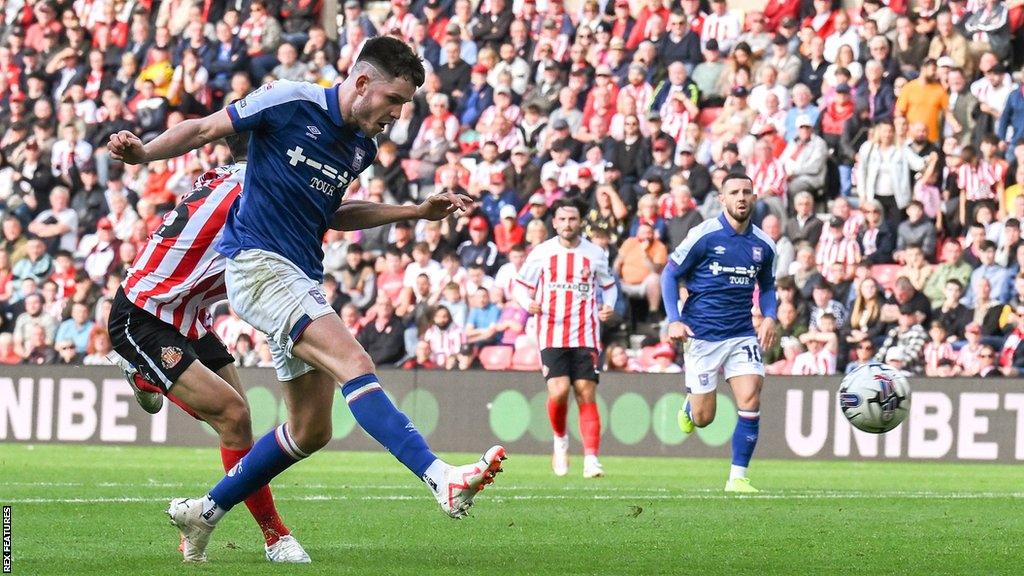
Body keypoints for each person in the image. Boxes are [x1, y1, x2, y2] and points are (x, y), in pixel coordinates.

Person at [108, 37, 505, 561]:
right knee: (353, 363)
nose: (397, 115)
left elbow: (331, 213)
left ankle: (205, 511)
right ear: (362, 83)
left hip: (294, 278)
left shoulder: (360, 147)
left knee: (310, 429)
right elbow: (205, 128)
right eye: (394, 101)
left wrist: (413, 212)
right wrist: (144, 153)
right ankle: (440, 477)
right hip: (256, 267)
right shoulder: (291, 101)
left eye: (405, 106)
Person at [661, 174, 777, 493]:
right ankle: (690, 404)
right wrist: (673, 318)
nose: (741, 197)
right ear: (722, 199)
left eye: (746, 192)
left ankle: (737, 477)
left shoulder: (764, 245)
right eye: (734, 192)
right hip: (703, 335)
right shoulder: (704, 235)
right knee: (703, 419)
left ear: (754, 198)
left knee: (751, 396)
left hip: (742, 334)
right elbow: (670, 274)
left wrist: (769, 316)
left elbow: (767, 285)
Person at [514, 198, 617, 479]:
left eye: (572, 219)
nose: (567, 224)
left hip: (586, 332)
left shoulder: (595, 253)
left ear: (580, 221)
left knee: (586, 392)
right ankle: (560, 441)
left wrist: (608, 305)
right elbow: (521, 286)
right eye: (562, 219)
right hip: (551, 331)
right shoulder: (542, 252)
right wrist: (527, 304)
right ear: (555, 222)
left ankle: (592, 459)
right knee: (558, 391)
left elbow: (609, 286)